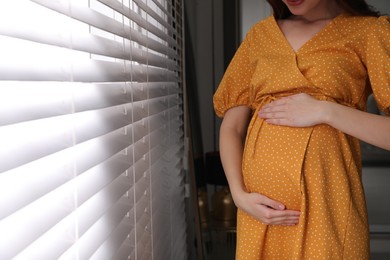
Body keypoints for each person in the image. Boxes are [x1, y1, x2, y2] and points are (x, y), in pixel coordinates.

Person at [213, 0, 389, 258]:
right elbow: (232, 127)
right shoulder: (260, 36)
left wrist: (325, 111)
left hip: (329, 213)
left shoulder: (368, 32)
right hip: (260, 214)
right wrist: (239, 195)